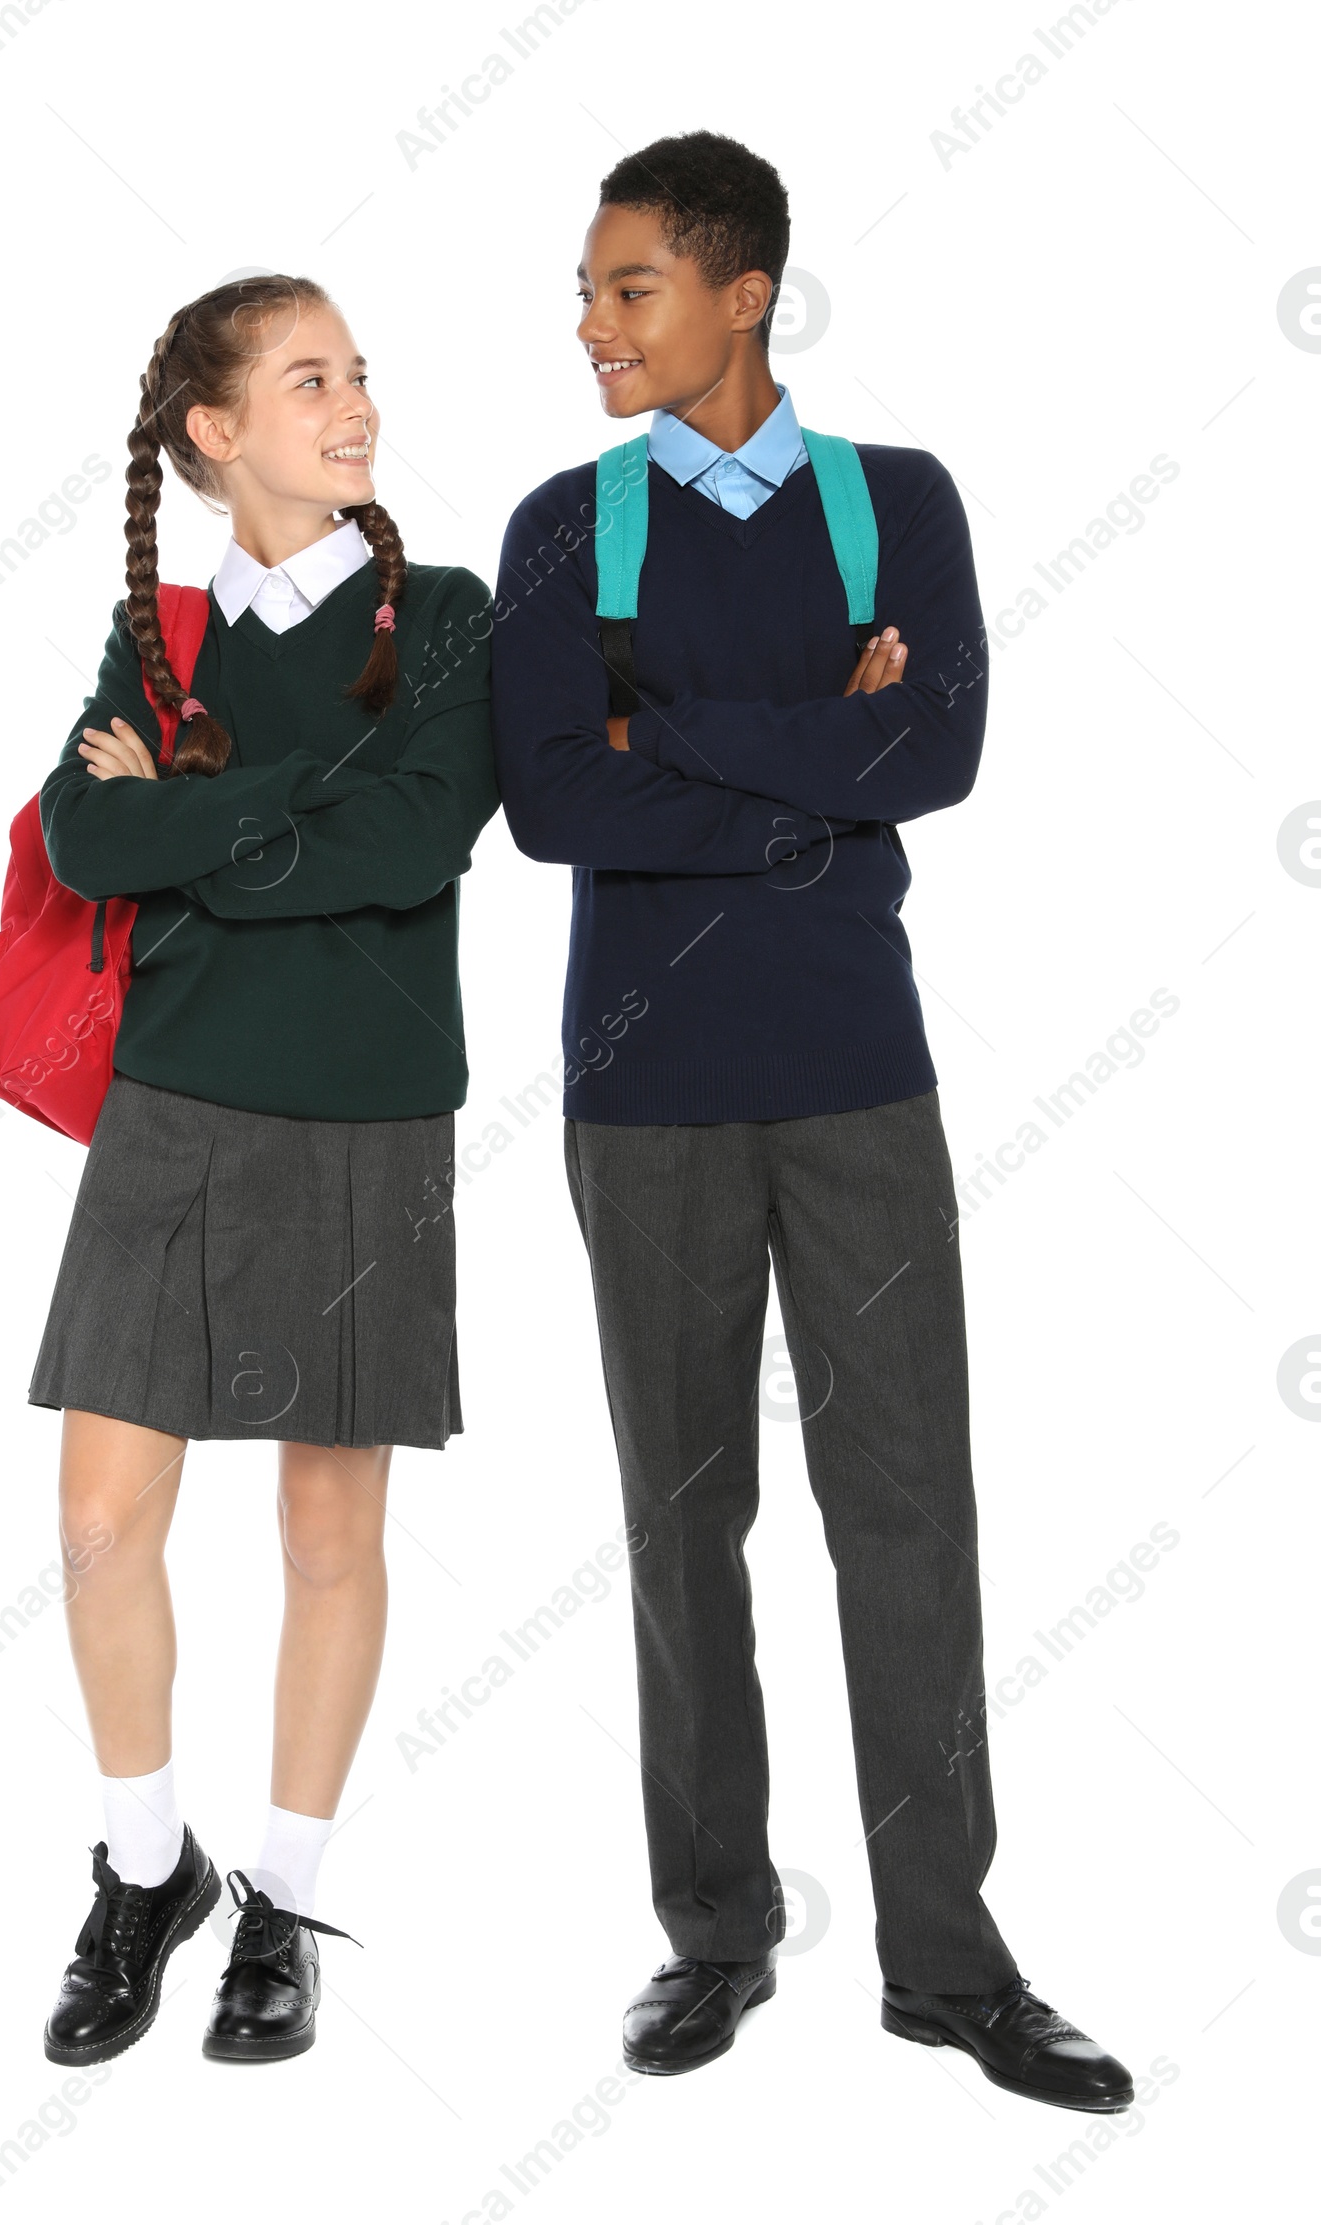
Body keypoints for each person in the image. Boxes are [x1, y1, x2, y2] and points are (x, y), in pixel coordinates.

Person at [490, 131, 1132, 2109]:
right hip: (641, 1089)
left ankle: (944, 1960)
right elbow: (547, 806)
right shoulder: (556, 528)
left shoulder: (893, 507)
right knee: (682, 1521)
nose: (587, 321)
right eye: (587, 290)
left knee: (908, 1516)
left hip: (859, 1075)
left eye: (626, 288)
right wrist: (806, 764)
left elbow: (928, 747)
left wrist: (658, 727)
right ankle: (711, 1935)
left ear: (741, 291)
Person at [28, 275, 497, 2067]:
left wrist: (199, 818)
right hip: (173, 1099)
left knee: (326, 1527)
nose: (358, 403)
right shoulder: (158, 632)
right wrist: (279, 802)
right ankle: (149, 1869)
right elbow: (85, 828)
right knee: (97, 1519)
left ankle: (284, 1897)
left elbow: (414, 837)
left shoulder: (446, 615)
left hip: (369, 1110)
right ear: (217, 433)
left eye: (362, 372)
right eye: (314, 380)